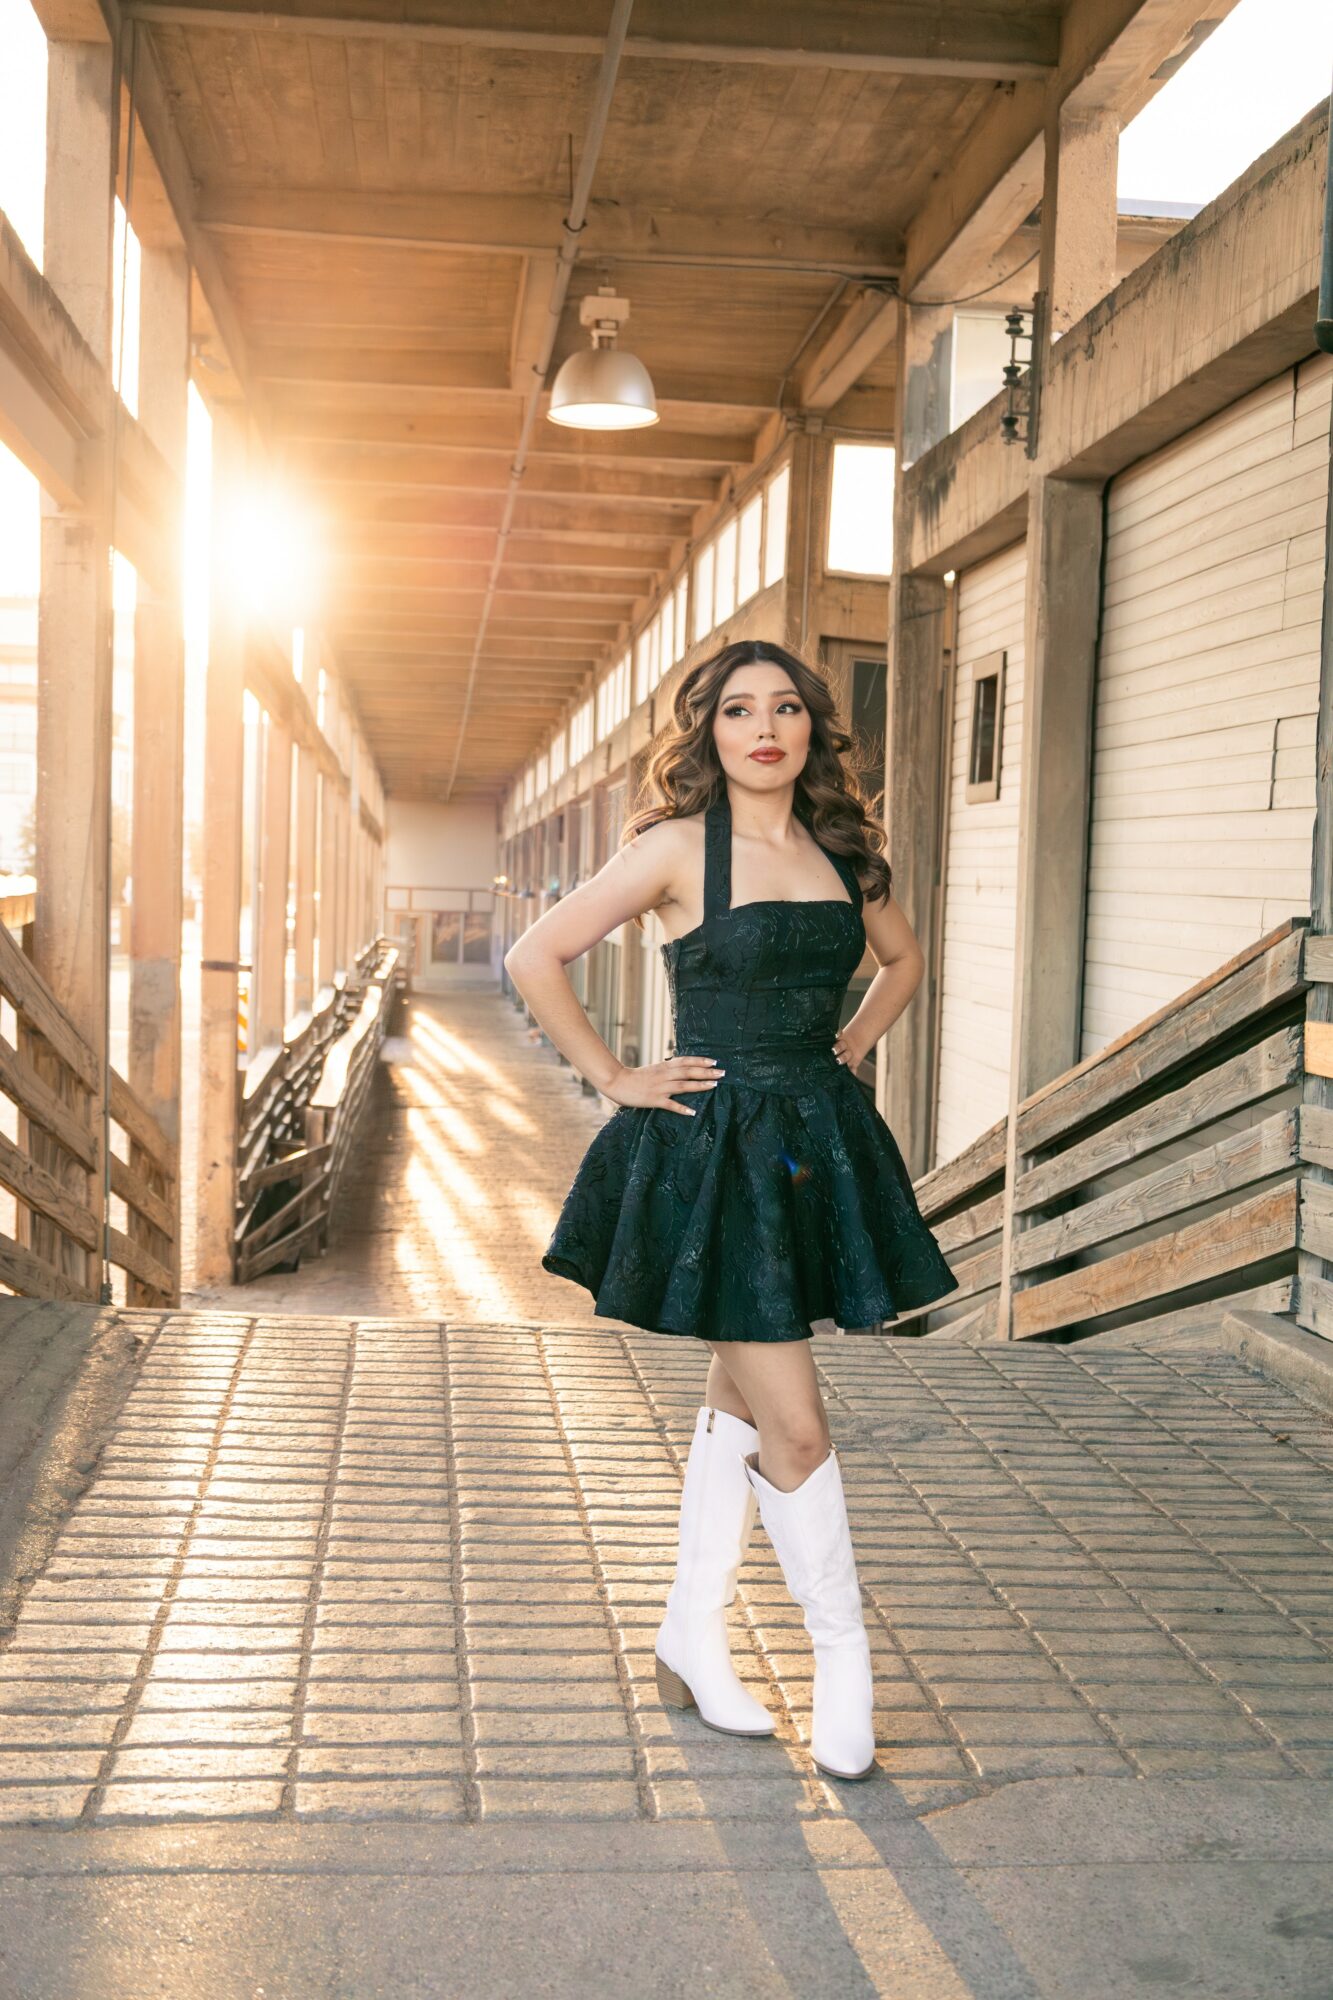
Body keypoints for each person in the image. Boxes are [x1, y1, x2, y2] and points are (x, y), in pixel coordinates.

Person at [503, 638, 958, 1781]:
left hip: (816, 1148)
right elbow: (534, 952)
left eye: (788, 707)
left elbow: (902, 964)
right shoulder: (671, 848)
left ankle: (691, 1634)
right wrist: (613, 1075)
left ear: (812, 727)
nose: (766, 727)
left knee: (743, 1398)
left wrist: (854, 1038)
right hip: (715, 1156)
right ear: (707, 731)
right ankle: (840, 1650)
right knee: (797, 1424)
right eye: (740, 709)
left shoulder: (846, 851)